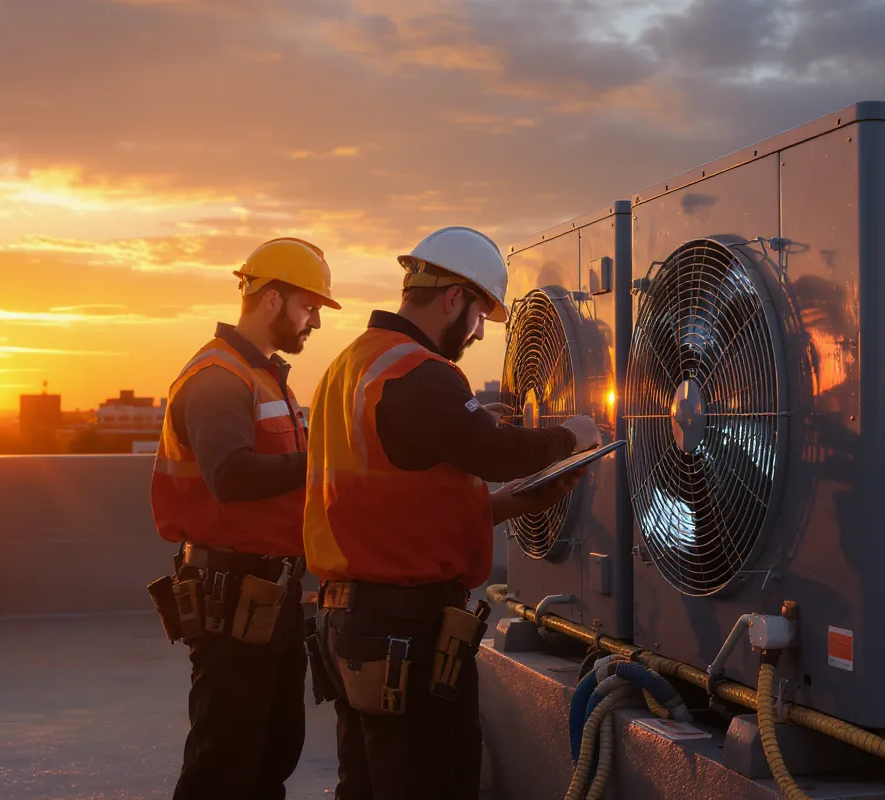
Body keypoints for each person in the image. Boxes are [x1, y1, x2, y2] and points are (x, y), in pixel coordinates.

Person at [304, 225, 602, 799]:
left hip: (351, 624)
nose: (478, 332)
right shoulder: (417, 372)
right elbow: (496, 452)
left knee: (365, 785)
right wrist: (573, 435)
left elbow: (395, 509)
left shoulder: (349, 366)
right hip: (405, 632)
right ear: (453, 298)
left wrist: (511, 503)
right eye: (479, 316)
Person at [148, 237, 342, 800]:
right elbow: (231, 477)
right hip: (231, 595)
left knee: (273, 751)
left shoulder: (264, 377)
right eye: (309, 307)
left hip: (270, 592)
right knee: (224, 762)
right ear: (272, 299)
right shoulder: (217, 377)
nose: (315, 322)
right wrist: (325, 457)